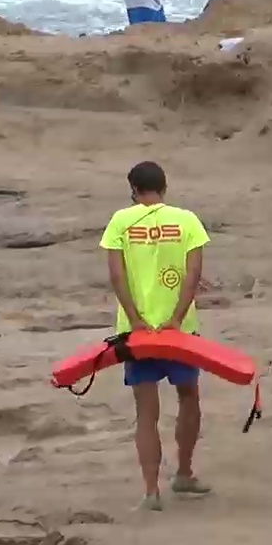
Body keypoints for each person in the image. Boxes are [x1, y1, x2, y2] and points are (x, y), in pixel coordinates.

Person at [99, 161, 213, 511]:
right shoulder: (187, 220)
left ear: (133, 189)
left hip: (137, 334)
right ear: (164, 187)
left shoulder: (120, 221)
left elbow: (117, 276)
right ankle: (183, 473)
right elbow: (194, 274)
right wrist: (176, 318)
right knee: (189, 396)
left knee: (146, 411)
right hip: (179, 330)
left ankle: (151, 492)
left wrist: (134, 320)